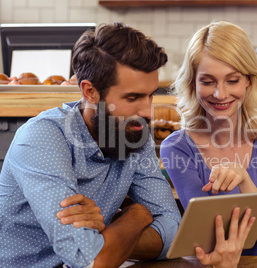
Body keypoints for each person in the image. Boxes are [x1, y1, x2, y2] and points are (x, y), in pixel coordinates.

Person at [0, 22, 182, 268]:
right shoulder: (42, 137)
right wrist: (138, 215)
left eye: (151, 94)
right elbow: (91, 260)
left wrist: (103, 234)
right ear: (90, 92)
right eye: (132, 97)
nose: (148, 111)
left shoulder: (134, 134)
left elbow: (173, 233)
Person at [160, 21, 257, 261]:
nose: (220, 94)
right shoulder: (177, 148)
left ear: (249, 81)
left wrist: (244, 180)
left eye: (232, 80)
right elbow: (206, 238)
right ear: (193, 83)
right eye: (208, 81)